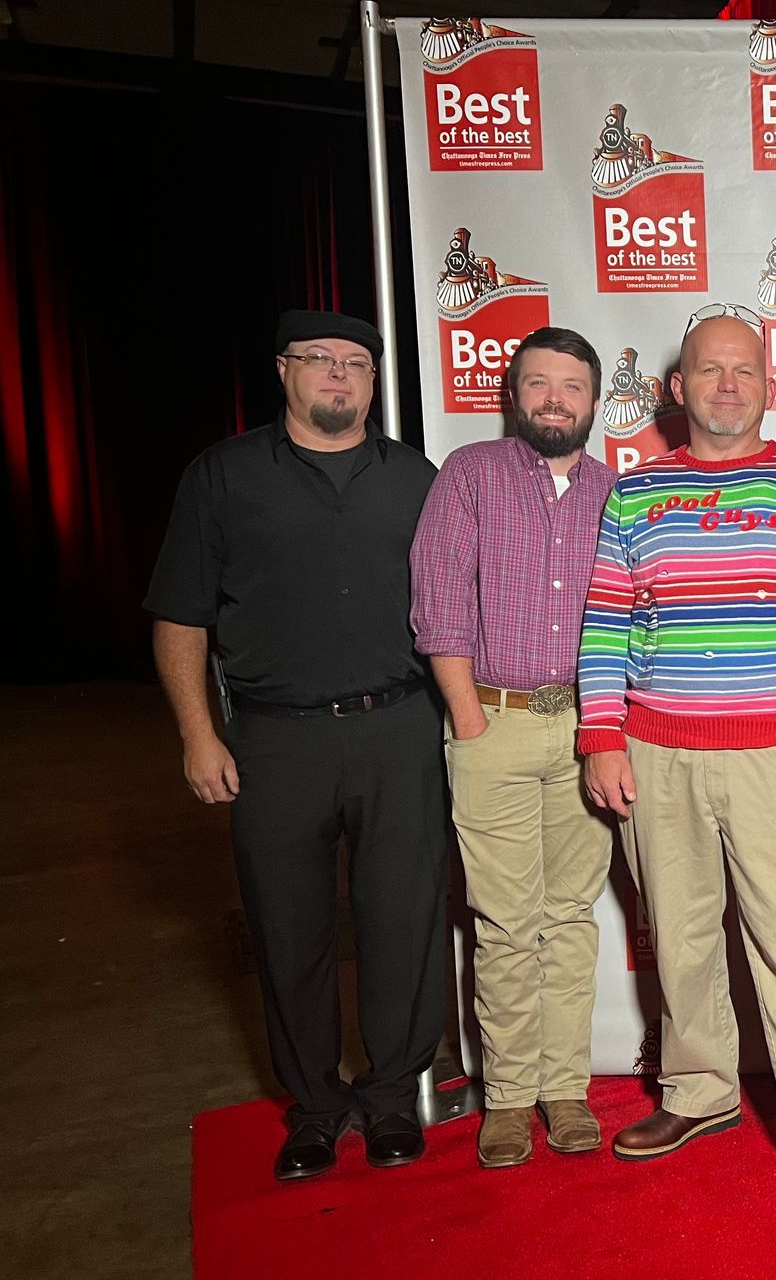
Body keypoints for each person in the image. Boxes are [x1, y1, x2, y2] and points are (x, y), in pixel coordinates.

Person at [577, 304, 776, 1237]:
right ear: (677, 388)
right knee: (681, 938)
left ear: (769, 385)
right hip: (658, 753)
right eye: (708, 371)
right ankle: (700, 1089)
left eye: (744, 371)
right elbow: (606, 623)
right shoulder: (633, 494)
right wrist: (601, 736)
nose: (726, 386)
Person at [146, 310, 444, 1182]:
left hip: (399, 727)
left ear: (375, 381)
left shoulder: (415, 479)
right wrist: (199, 734)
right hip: (276, 739)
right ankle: (315, 1107)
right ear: (284, 370)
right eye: (319, 360)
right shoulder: (224, 477)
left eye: (356, 363)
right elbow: (179, 614)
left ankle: (392, 1097)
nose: (339, 377)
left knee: (403, 921)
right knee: (289, 931)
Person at [410, 326, 617, 1168]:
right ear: (513, 392)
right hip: (490, 721)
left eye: (571, 386)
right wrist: (467, 715)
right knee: (503, 924)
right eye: (539, 383)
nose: (555, 400)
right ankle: (507, 1097)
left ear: (595, 401)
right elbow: (439, 596)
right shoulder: (469, 475)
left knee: (571, 918)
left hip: (588, 729)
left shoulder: (615, 490)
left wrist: (609, 725)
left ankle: (563, 1090)